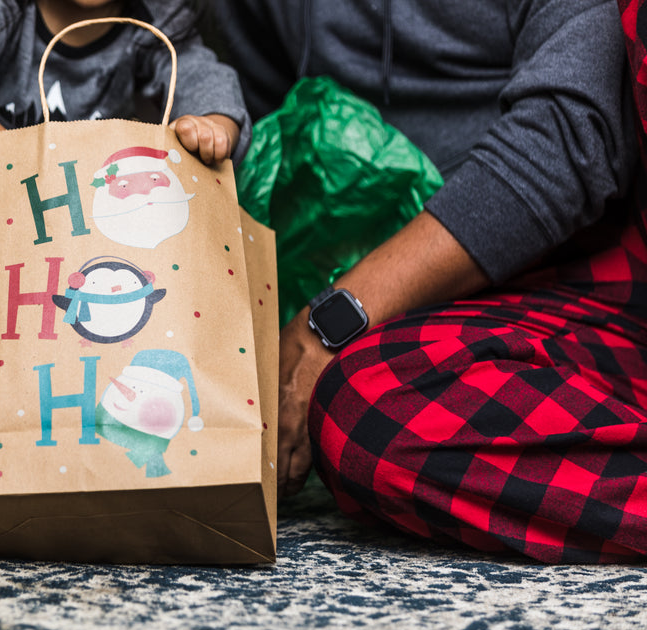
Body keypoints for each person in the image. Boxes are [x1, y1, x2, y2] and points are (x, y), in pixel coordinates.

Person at [213, 0, 647, 563]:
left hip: (598, 261)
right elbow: (264, 126)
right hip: (466, 307)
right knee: (363, 416)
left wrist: (333, 320)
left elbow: (568, 140)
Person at [0, 0, 251, 295]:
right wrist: (27, 169)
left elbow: (206, 80)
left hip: (76, 207)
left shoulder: (155, 18)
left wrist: (212, 127)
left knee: (165, 225)